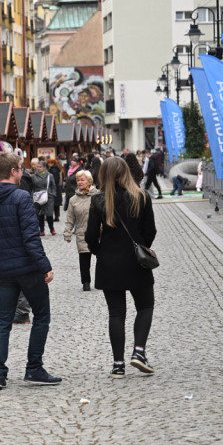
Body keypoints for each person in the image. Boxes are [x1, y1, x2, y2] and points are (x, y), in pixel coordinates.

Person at [0, 152, 61, 389]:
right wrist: (45, 266)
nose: (23, 170)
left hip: (4, 269)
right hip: (27, 268)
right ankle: (34, 368)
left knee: (3, 320)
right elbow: (30, 238)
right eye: (20, 167)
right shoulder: (21, 198)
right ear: (13, 171)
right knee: (42, 315)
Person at [85, 157, 157, 378]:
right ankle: (139, 352)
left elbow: (89, 237)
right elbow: (150, 231)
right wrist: (140, 247)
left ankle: (118, 365)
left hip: (109, 263)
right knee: (145, 306)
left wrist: (101, 252)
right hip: (137, 262)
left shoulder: (98, 201)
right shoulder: (142, 197)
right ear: (127, 172)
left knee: (116, 314)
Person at [62, 169, 98, 292]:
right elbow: (70, 218)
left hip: (99, 232)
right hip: (82, 232)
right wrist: (67, 233)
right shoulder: (73, 200)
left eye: (82, 180)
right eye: (78, 180)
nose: (79, 182)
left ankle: (101, 280)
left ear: (89, 182)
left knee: (102, 259)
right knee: (84, 261)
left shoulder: (98, 196)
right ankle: (86, 282)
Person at [30, 159, 57, 236]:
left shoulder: (49, 175)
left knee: (49, 214)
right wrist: (33, 195)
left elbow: (53, 186)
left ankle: (52, 228)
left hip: (48, 196)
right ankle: (42, 230)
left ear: (44, 167)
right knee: (40, 214)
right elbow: (32, 187)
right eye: (37, 167)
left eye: (40, 167)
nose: (38, 168)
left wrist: (52, 194)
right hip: (38, 197)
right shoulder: (34, 176)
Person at [47, 157, 63, 222]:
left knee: (55, 204)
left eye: (49, 163)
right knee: (56, 204)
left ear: (52, 163)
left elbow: (55, 180)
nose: (48, 164)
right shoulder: (55, 169)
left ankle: (56, 217)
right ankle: (56, 216)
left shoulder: (53, 170)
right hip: (57, 188)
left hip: (55, 188)